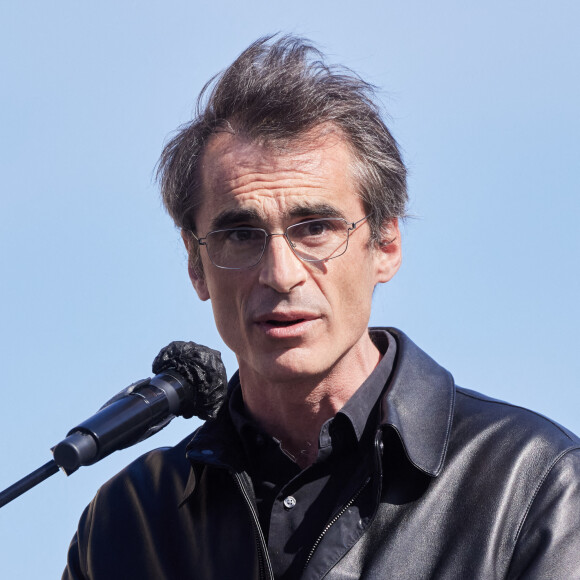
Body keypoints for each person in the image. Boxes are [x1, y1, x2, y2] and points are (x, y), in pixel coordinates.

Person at [63, 35, 580, 580]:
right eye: (241, 234)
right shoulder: (129, 520)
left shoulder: (532, 483)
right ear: (196, 265)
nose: (281, 274)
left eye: (315, 228)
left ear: (385, 245)